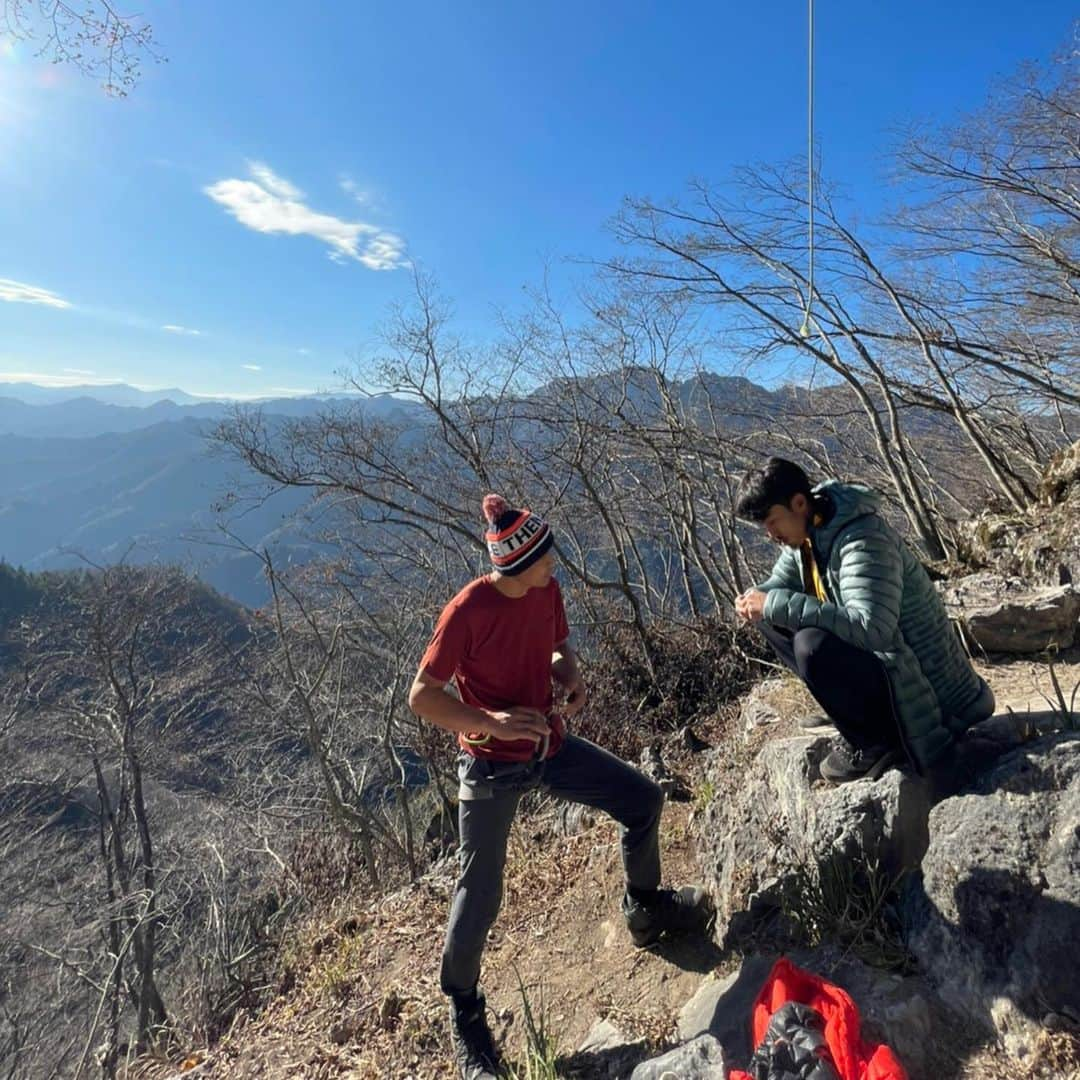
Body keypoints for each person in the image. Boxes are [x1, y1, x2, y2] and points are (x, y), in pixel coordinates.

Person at [409, 494, 712, 1080]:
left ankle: (645, 909)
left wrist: (568, 673)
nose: (556, 567)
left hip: (546, 744)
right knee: (480, 894)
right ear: (516, 565)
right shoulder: (467, 610)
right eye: (546, 559)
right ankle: (465, 1012)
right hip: (491, 763)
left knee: (643, 800)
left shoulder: (544, 591)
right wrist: (489, 723)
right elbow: (422, 696)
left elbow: (556, 644)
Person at [733, 458, 994, 783]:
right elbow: (779, 585)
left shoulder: (862, 539)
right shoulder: (810, 532)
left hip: (931, 693)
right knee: (769, 616)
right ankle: (858, 724)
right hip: (890, 669)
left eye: (773, 522)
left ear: (798, 503)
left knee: (810, 645)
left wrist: (775, 602)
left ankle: (875, 742)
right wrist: (756, 597)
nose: (771, 535)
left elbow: (874, 629)